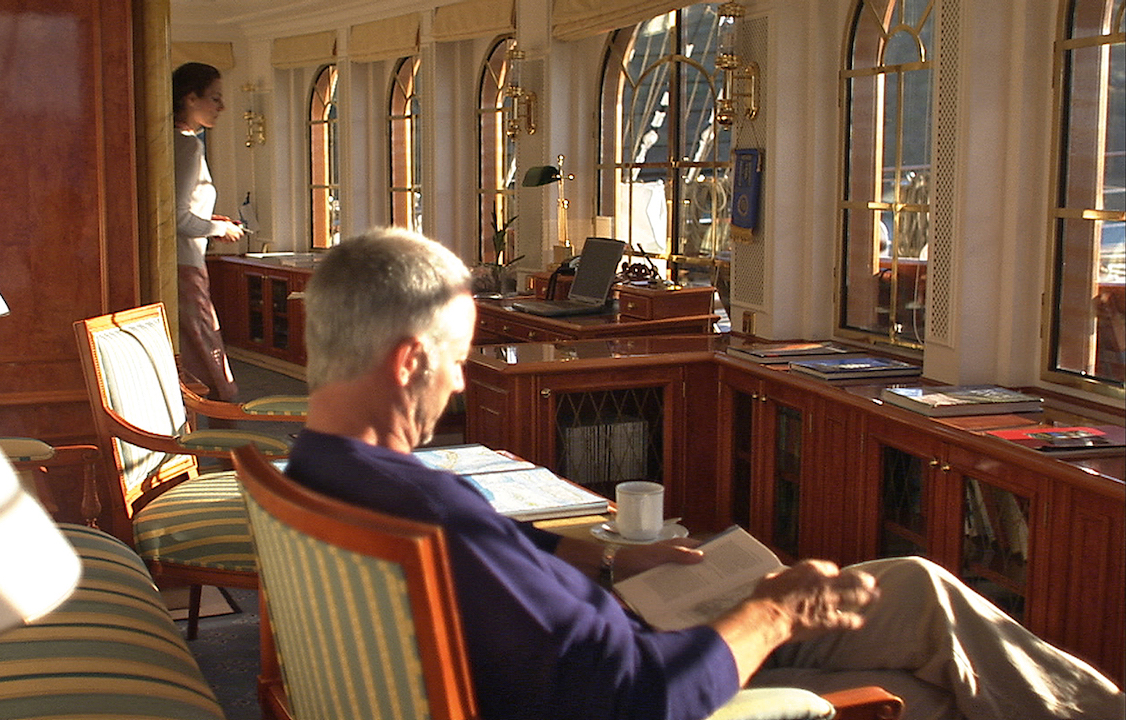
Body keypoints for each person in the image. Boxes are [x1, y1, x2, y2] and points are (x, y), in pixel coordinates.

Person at [283, 227, 1124, 720]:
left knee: (916, 587)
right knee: (921, 688)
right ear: (408, 362)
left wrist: (611, 558)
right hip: (668, 676)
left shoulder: (323, 474)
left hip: (648, 628)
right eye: (458, 362)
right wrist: (774, 611)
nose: (463, 382)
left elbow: (497, 579)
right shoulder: (427, 509)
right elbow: (637, 700)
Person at [173, 61, 244, 402]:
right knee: (204, 345)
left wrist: (209, 218)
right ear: (190, 98)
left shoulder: (171, 141)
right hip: (186, 265)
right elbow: (178, 219)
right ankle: (225, 423)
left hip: (184, 262)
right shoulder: (187, 146)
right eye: (214, 98)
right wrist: (220, 228)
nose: (222, 107)